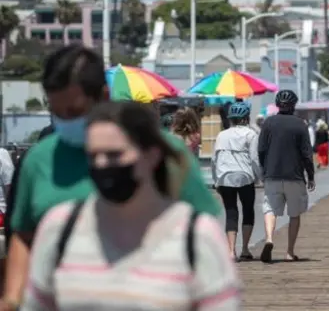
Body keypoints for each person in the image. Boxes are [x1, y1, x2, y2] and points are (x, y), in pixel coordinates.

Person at [2, 45, 222, 309]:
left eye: (75, 111)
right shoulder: (38, 160)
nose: (65, 121)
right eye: (57, 112)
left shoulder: (162, 153)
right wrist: (13, 299)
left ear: (103, 97)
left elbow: (202, 237)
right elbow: (23, 237)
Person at [21, 101, 241, 310]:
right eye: (93, 155)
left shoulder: (197, 236)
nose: (101, 164)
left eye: (114, 154)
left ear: (152, 156)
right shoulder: (59, 228)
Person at [257, 90, 315, 263]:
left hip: (272, 174)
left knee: (270, 209)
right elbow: (306, 153)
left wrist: (264, 169)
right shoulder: (300, 124)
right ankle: (289, 252)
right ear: (293, 105)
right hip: (295, 176)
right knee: (294, 214)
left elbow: (261, 150)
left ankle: (269, 239)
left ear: (277, 105)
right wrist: (310, 175)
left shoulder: (268, 123)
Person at [212, 101, 261, 262]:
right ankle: (245, 249)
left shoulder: (221, 135)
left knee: (231, 213)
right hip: (245, 176)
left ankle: (231, 251)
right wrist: (259, 176)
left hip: (224, 177)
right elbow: (254, 158)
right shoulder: (251, 134)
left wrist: (216, 180)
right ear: (246, 117)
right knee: (248, 210)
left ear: (230, 118)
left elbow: (215, 160)